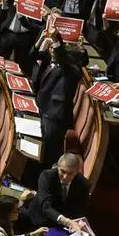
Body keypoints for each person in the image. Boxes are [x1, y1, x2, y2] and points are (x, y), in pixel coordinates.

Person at [32, 34, 81, 167]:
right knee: (44, 145)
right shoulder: (57, 63)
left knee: (51, 151)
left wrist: (56, 38)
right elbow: (33, 54)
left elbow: (63, 55)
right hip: (45, 108)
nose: (54, 51)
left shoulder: (73, 70)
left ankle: (48, 174)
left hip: (56, 116)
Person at [23, 153, 90, 233]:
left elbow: (80, 210)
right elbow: (46, 206)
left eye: (70, 173)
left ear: (77, 172)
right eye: (63, 171)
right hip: (39, 218)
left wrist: (76, 224)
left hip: (61, 225)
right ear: (58, 167)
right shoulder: (46, 176)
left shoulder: (84, 184)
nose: (65, 177)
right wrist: (67, 222)